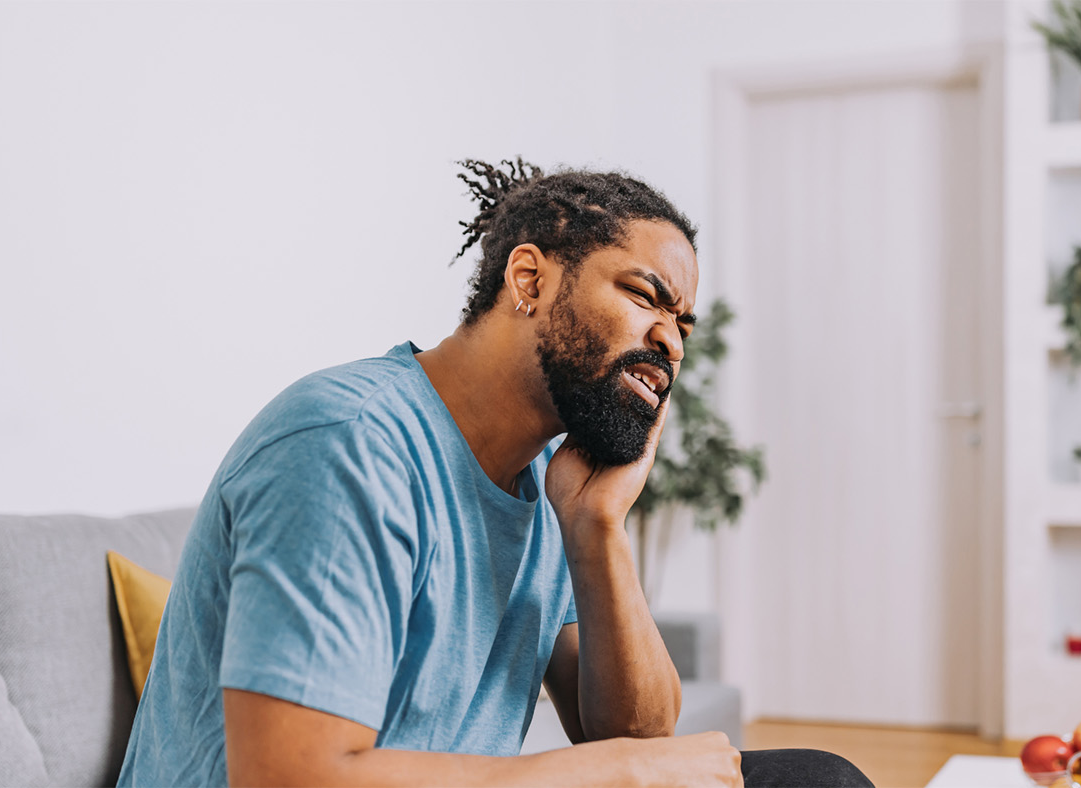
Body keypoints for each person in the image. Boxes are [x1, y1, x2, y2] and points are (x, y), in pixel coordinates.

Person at [116, 158, 873, 788]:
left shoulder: (544, 478)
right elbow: (291, 777)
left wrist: (595, 525)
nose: (671, 342)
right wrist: (617, 775)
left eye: (683, 324)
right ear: (530, 279)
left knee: (816, 780)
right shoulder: (348, 443)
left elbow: (635, 731)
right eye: (647, 296)